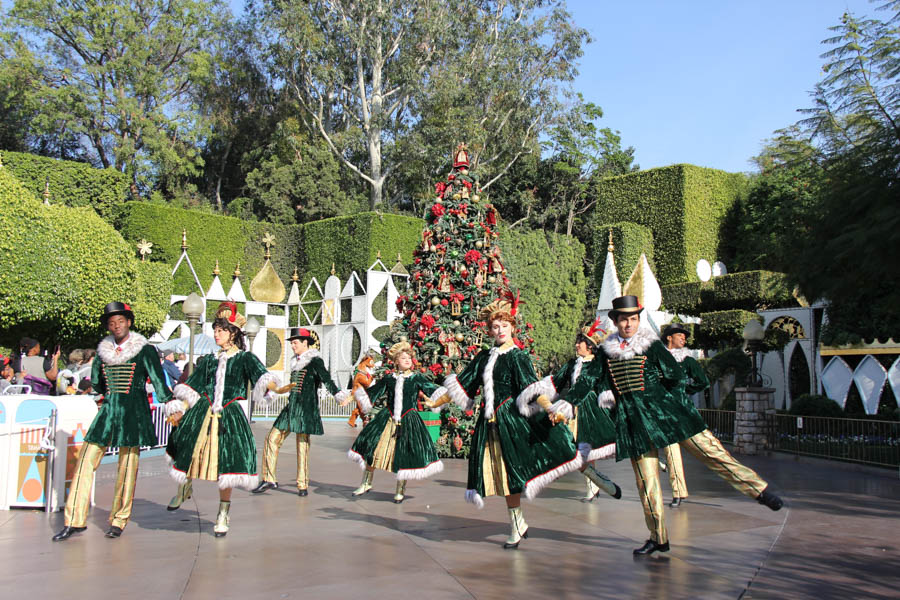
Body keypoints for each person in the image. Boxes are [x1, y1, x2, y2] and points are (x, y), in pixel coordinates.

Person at [600, 295, 783, 556]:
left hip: (671, 414)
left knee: (711, 452)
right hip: (637, 422)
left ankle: (759, 490)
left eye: (633, 318)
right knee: (646, 482)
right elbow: (594, 380)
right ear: (616, 321)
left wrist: (668, 401)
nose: (629, 324)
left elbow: (676, 377)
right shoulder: (608, 352)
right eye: (624, 319)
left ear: (638, 320)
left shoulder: (652, 346)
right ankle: (658, 537)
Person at [427, 297, 582, 549]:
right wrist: (436, 403)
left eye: (503, 326)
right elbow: (463, 386)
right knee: (501, 476)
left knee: (517, 471)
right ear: (489, 330)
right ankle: (517, 522)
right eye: (495, 327)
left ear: (512, 328)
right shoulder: (483, 357)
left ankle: (586, 474)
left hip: (513, 422)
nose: (499, 331)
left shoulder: (517, 357)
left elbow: (533, 389)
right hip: (490, 425)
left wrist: (550, 408)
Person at [164, 302, 289, 537]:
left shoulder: (245, 358)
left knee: (228, 465)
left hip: (228, 416)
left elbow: (263, 377)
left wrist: (279, 389)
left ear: (233, 333)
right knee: (189, 449)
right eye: (215, 329)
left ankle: (223, 512)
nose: (216, 334)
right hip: (202, 412)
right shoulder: (209, 360)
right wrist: (178, 407)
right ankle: (184, 488)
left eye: (221, 330)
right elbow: (192, 387)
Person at [52, 302, 172, 541]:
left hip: (133, 413)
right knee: (85, 461)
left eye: (120, 321)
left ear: (129, 322)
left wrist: (173, 408)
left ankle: (119, 520)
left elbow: (159, 383)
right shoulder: (103, 352)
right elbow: (96, 383)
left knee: (127, 468)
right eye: (111, 323)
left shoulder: (144, 350)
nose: (116, 326)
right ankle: (74, 519)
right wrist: (95, 395)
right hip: (108, 412)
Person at [517, 317, 622, 503]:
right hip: (573, 408)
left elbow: (598, 386)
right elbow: (556, 382)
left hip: (591, 410)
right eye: (577, 342)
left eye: (580, 342)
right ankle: (594, 486)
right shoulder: (573, 364)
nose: (577, 345)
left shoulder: (597, 365)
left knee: (587, 448)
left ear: (589, 346)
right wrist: (537, 389)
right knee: (577, 448)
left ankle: (594, 487)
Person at [343, 342, 443, 504]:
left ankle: (400, 489)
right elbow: (372, 393)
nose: (407, 360)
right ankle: (366, 483)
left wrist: (445, 397)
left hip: (408, 420)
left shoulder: (416, 378)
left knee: (404, 454)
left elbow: (432, 390)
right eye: (403, 358)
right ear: (396, 361)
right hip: (388, 419)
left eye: (409, 357)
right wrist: (351, 397)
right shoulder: (389, 378)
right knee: (373, 448)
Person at [251, 327, 342, 497]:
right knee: (272, 438)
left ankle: (302, 484)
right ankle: (269, 478)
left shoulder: (315, 361)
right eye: (291, 343)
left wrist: (337, 394)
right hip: (291, 407)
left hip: (305, 409)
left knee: (302, 445)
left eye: (295, 342)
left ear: (305, 342)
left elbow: (327, 379)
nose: (292, 346)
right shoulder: (295, 362)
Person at [660, 323, 711, 508]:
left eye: (684, 336)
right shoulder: (658, 358)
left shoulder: (687, 360)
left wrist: (684, 390)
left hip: (684, 413)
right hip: (665, 414)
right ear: (669, 337)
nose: (684, 338)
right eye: (680, 335)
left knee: (708, 450)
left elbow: (703, 382)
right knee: (671, 453)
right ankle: (678, 493)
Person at [347, 350, 378, 428]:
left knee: (359, 407)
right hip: (359, 392)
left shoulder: (361, 371)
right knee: (361, 407)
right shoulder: (360, 374)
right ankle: (362, 420)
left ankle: (352, 421)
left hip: (360, 392)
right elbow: (367, 383)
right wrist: (372, 377)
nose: (372, 365)